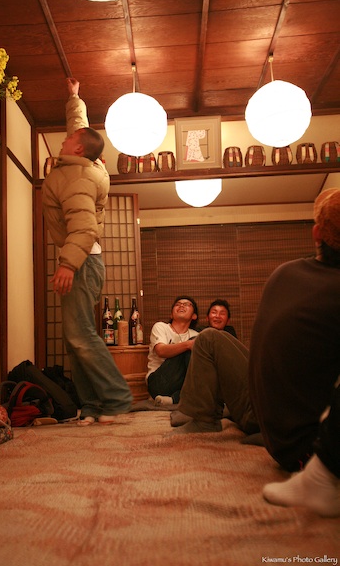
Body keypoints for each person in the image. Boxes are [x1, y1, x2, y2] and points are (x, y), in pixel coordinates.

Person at [172, 188, 340, 517]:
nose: (216, 316)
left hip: (271, 422)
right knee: (209, 339)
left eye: (221, 313)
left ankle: (200, 411)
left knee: (207, 340)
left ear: (316, 234)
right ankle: (200, 414)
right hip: (304, 445)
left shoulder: (283, 273)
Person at [42, 77, 132, 426]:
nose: (64, 140)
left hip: (80, 261)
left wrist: (67, 264)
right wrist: (74, 97)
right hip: (83, 259)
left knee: (80, 335)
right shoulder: (81, 163)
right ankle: (92, 404)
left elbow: (83, 226)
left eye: (69, 140)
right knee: (74, 337)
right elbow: (79, 129)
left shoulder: (77, 178)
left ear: (77, 149)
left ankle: (116, 397)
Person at [146, 296, 200, 407]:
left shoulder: (196, 335)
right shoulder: (161, 327)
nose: (181, 305)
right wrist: (188, 345)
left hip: (181, 385)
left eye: (186, 304)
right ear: (171, 314)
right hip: (158, 382)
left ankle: (174, 399)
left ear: (194, 316)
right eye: (177, 304)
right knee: (191, 346)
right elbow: (161, 351)